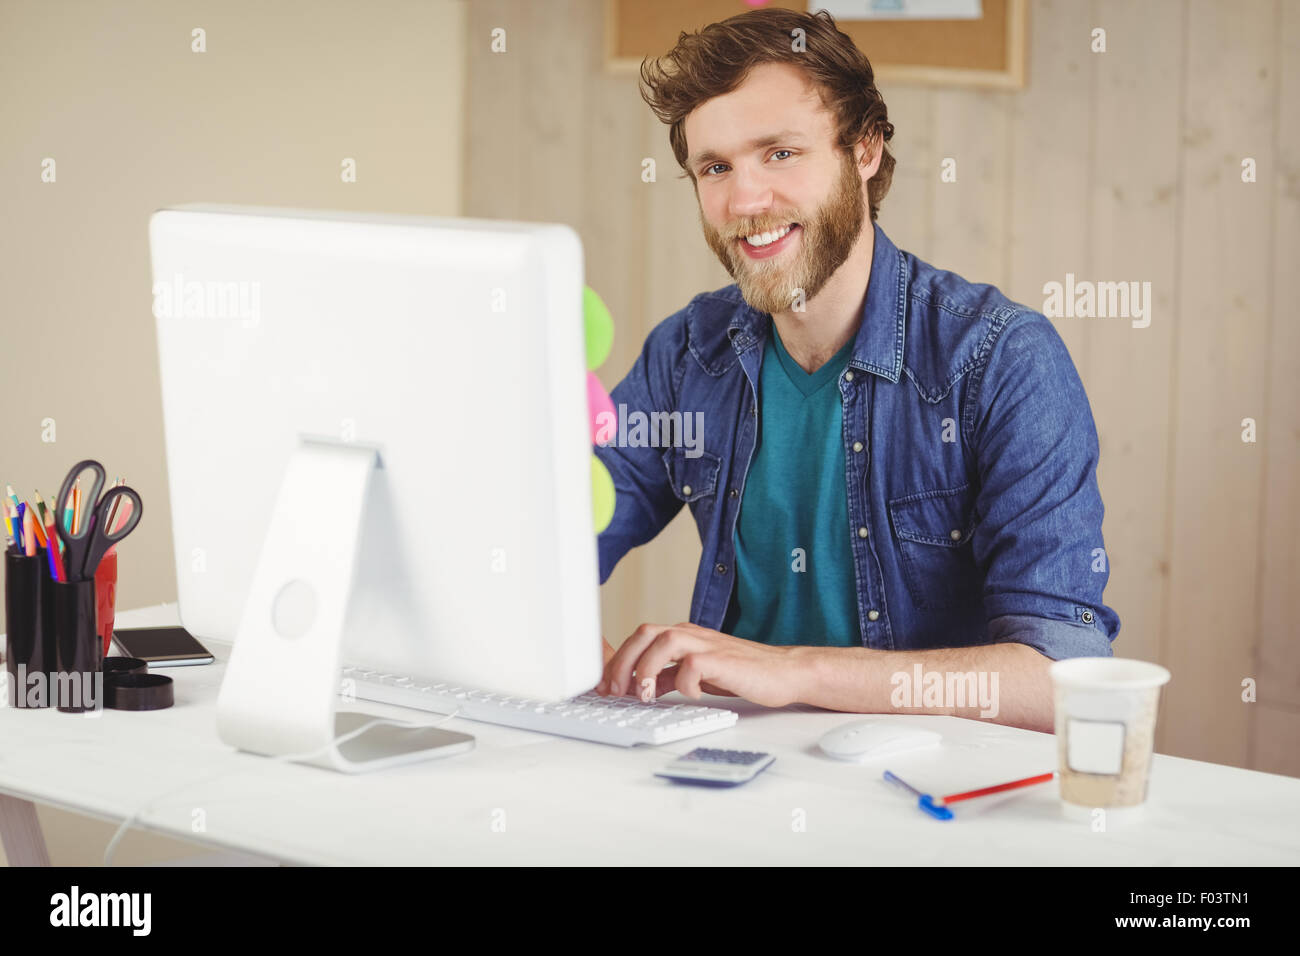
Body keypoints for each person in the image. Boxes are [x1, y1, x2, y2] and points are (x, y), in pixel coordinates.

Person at [592, 8, 1117, 732]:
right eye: (715, 168)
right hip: (729, 769)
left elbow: (1063, 679)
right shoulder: (689, 351)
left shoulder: (1002, 360)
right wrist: (549, 636)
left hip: (923, 791)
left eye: (779, 153)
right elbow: (559, 530)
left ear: (864, 150)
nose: (745, 202)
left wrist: (794, 670)